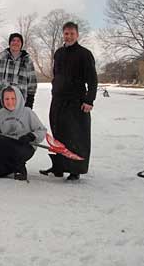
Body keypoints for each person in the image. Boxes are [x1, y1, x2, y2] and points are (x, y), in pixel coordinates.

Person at [40, 21, 98, 181]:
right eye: (66, 33)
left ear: (77, 35)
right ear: (63, 35)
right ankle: (58, 166)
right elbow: (56, 73)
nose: (69, 36)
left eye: (72, 33)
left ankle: (75, 169)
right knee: (58, 133)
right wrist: (55, 87)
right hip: (58, 100)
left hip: (76, 101)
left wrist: (89, 100)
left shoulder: (85, 54)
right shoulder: (58, 53)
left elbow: (93, 79)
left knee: (76, 135)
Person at [0, 32, 37, 112]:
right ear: (9, 43)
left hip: (19, 101)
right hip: (1, 99)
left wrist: (30, 100)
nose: (15, 42)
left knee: (18, 124)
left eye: (18, 41)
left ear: (21, 44)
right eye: (13, 40)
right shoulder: (1, 57)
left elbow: (32, 81)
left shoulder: (27, 60)